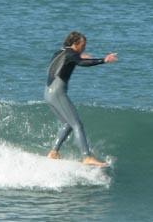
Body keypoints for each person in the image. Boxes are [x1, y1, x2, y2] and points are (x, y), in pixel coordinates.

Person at [44, 31, 117, 166]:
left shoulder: (61, 51)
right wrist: (103, 60)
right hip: (57, 92)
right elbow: (81, 63)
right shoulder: (71, 54)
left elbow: (70, 59)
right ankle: (87, 157)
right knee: (77, 124)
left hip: (48, 93)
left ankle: (53, 152)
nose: (84, 48)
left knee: (67, 124)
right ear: (75, 44)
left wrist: (79, 56)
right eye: (82, 45)